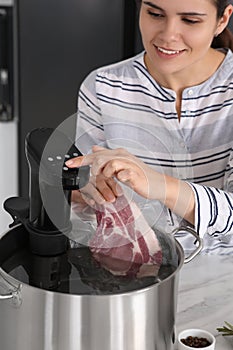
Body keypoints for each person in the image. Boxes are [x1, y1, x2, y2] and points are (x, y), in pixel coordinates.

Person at [66, 0, 233, 254]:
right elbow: (84, 200)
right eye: (155, 13)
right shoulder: (103, 86)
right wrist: (85, 190)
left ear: (222, 20)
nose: (168, 35)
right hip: (135, 274)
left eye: (190, 20)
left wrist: (158, 184)